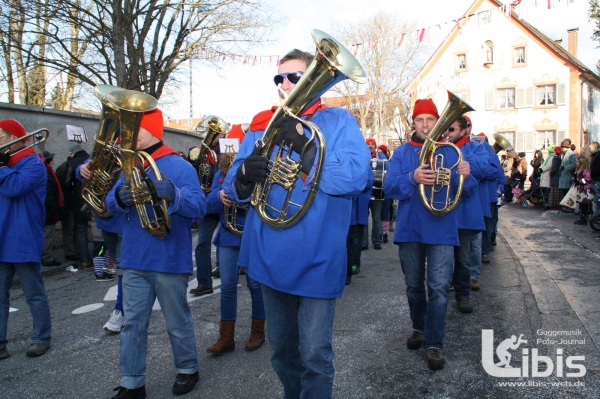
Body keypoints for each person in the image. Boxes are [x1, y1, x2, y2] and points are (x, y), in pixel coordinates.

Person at [223, 48, 370, 398]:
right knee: (283, 351)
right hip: (269, 253)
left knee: (316, 355)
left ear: (312, 81)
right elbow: (232, 184)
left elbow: (355, 177)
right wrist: (242, 176)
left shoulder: (339, 122)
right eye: (280, 77)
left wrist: (308, 153)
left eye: (294, 76)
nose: (285, 83)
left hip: (317, 255)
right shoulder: (262, 125)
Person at [105, 109, 206, 398]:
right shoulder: (130, 165)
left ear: (153, 130)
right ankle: (132, 382)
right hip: (134, 258)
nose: (129, 134)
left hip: (168, 259)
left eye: (136, 128)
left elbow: (199, 206)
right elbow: (108, 204)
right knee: (132, 324)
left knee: (177, 321)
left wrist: (176, 194)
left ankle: (188, 369)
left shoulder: (179, 166)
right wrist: (118, 199)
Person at [383, 98, 476, 370]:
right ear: (413, 123)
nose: (425, 125)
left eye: (430, 120)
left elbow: (466, 193)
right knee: (413, 287)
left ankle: (435, 343)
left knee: (437, 289)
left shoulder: (450, 153)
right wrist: (412, 178)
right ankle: (419, 327)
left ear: (439, 123)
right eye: (420, 120)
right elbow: (389, 188)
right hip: (411, 230)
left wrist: (467, 176)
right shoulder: (401, 153)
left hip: (442, 230)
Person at [205, 146, 266, 355]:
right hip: (228, 235)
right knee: (227, 286)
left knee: (255, 285)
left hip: (252, 235)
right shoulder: (220, 174)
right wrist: (218, 196)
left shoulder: (256, 168)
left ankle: (258, 331)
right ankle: (226, 336)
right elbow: (207, 204)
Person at [0, 119, 52, 359]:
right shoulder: (7, 163)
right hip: (2, 237)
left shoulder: (33, 162)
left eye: (0, 136)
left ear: (14, 137)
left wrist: (1, 168)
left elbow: (15, 187)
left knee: (33, 292)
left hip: (22, 237)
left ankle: (41, 337)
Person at [443, 116, 486, 313]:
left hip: (465, 213)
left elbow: (489, 169)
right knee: (441, 260)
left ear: (463, 130)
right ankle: (439, 297)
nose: (447, 133)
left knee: (462, 260)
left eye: (451, 129)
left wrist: (464, 162)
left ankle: (463, 296)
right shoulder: (440, 148)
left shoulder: (476, 148)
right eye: (445, 129)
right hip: (443, 213)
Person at [78, 158, 125, 329]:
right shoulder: (107, 150)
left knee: (122, 268)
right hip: (105, 219)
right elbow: (87, 165)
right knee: (121, 267)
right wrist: (81, 168)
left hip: (124, 220)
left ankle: (121, 310)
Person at [188, 124, 227, 295]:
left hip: (225, 198)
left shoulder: (229, 148)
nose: (216, 136)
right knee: (202, 243)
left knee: (226, 238)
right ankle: (205, 282)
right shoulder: (202, 152)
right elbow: (196, 173)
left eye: (219, 133)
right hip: (208, 200)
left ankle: (223, 268)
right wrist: (195, 159)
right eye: (214, 133)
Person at [66, 144, 91, 268]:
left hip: (79, 199)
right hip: (94, 197)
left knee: (81, 229)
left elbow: (67, 183)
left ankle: (85, 260)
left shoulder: (71, 163)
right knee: (100, 230)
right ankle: (104, 261)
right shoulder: (90, 158)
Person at [347, 168, 374, 284]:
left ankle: (354, 266)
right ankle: (346, 269)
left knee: (355, 241)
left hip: (357, 211)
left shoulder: (364, 165)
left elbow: (368, 183)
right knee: (346, 241)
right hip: (347, 211)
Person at [40, 150, 65, 266]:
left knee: (47, 234)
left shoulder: (47, 172)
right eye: (51, 160)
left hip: (47, 210)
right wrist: (55, 210)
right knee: (48, 235)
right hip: (48, 211)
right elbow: (49, 195)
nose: (53, 162)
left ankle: (46, 256)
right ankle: (47, 258)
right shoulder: (46, 173)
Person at [362, 138, 387, 250]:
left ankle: (377, 241)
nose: (370, 146)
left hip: (378, 193)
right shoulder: (362, 156)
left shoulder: (382, 158)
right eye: (368, 144)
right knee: (364, 218)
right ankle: (364, 243)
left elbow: (387, 171)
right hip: (365, 193)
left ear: (375, 146)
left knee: (376, 218)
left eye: (372, 144)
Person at [55, 152, 79, 262]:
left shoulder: (61, 168)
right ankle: (70, 252)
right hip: (68, 204)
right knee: (70, 228)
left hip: (67, 203)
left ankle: (71, 251)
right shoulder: (66, 167)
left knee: (70, 228)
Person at [377, 144, 393, 244]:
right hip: (388, 191)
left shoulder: (377, 159)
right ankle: (385, 234)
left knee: (378, 214)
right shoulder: (389, 162)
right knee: (386, 213)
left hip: (378, 190)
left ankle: (379, 234)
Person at [573, 156, 594, 224]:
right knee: (581, 204)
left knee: (584, 204)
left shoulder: (586, 170)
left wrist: (580, 181)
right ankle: (582, 217)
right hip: (581, 189)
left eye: (577, 162)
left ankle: (584, 218)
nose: (576, 163)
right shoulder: (579, 170)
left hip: (585, 190)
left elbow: (587, 180)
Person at [539, 144, 556, 209]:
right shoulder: (549, 157)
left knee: (548, 191)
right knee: (545, 190)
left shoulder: (553, 157)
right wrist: (540, 168)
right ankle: (546, 202)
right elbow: (544, 164)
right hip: (544, 174)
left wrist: (542, 169)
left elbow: (549, 166)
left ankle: (548, 203)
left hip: (547, 175)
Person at [589, 141, 600, 215]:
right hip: (595, 178)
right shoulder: (595, 155)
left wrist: (590, 172)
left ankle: (597, 215)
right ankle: (596, 214)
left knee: (597, 198)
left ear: (595, 148)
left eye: (590, 148)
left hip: (597, 179)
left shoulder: (598, 155)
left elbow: (597, 168)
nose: (589, 149)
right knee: (596, 198)